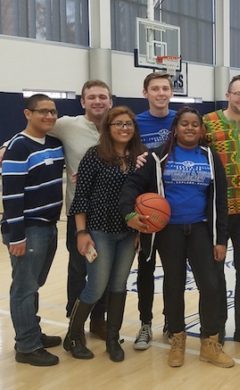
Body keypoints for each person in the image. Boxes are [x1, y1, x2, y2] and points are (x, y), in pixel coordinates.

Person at [120, 106, 234, 368]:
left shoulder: (210, 156)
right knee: (173, 284)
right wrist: (129, 214)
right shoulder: (158, 157)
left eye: (195, 124)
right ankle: (178, 340)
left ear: (202, 129)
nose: (190, 128)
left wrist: (220, 239)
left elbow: (220, 201)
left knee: (211, 285)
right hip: (169, 231)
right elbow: (132, 186)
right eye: (185, 124)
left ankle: (209, 342)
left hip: (202, 229)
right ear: (176, 128)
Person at [64, 106, 146, 362]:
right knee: (96, 286)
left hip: (128, 232)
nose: (124, 128)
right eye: (118, 124)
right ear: (108, 128)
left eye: (128, 124)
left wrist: (141, 230)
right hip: (99, 229)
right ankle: (73, 336)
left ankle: (113, 337)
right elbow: (81, 197)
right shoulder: (94, 155)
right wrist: (81, 232)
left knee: (119, 285)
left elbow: (144, 197)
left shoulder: (139, 158)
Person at [1, 94, 64, 366]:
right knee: (24, 288)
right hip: (28, 228)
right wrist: (17, 236)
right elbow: (11, 197)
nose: (49, 116)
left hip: (50, 226)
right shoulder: (17, 147)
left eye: (52, 111)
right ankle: (26, 346)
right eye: (43, 112)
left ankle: (33, 332)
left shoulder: (54, 143)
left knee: (34, 285)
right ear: (28, 114)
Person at [203, 74, 240, 350]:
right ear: (228, 95)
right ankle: (217, 326)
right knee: (216, 270)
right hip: (218, 211)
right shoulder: (208, 122)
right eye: (237, 93)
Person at [50, 80, 112, 339]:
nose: (97, 101)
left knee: (105, 270)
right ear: (83, 101)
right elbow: (36, 127)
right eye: (92, 97)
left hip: (111, 214)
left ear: (110, 101)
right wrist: (8, 146)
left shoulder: (118, 127)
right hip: (80, 214)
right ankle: (75, 323)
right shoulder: (67, 125)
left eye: (102, 97)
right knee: (78, 269)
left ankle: (99, 320)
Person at [133, 72, 177, 350]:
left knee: (173, 272)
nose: (161, 93)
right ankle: (145, 324)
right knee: (145, 271)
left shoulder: (181, 119)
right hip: (146, 209)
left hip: (175, 209)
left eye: (165, 88)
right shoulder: (135, 123)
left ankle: (171, 322)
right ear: (145, 92)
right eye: (155, 88)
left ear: (171, 92)